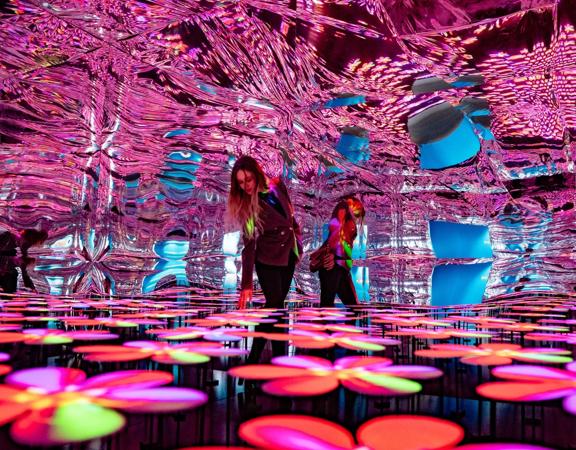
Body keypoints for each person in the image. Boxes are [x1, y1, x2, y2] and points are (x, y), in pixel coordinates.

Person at [226, 155, 302, 362]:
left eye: (248, 180)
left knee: (276, 307)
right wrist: (246, 284)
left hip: (287, 255)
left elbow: (290, 217)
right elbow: (249, 246)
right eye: (240, 183)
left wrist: (298, 240)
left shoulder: (278, 186)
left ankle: (269, 358)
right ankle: (266, 358)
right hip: (267, 259)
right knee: (275, 306)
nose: (245, 186)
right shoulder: (247, 207)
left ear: (257, 174)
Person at [318, 197, 365, 307]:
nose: (358, 218)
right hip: (334, 264)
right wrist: (331, 253)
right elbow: (335, 231)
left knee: (351, 305)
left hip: (340, 265)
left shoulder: (348, 216)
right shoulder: (343, 208)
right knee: (327, 304)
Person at [0, 228, 48, 295]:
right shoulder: (7, 237)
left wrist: (32, 287)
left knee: (12, 277)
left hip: (7, 275)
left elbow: (23, 270)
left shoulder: (21, 248)